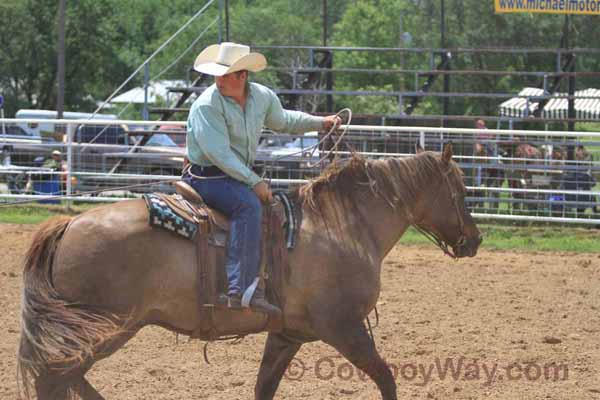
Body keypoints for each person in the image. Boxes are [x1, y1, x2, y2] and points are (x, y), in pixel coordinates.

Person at [185, 42, 341, 314]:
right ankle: (240, 290)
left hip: (231, 174)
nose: (218, 81)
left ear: (242, 76)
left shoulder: (262, 97)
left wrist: (320, 122)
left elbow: (283, 121)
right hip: (207, 177)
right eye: (217, 75)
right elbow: (219, 154)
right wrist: (253, 181)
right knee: (248, 206)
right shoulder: (207, 106)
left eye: (224, 75)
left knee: (268, 206)